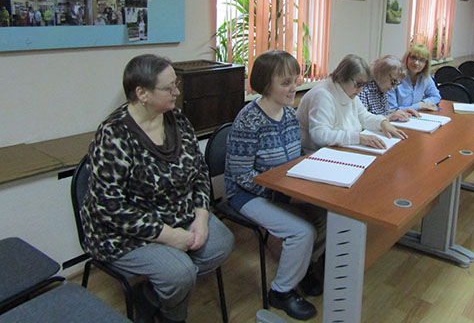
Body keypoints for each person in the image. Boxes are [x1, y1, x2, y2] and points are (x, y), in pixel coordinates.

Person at [80, 54, 234, 323]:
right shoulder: (114, 135)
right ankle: (172, 315)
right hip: (124, 232)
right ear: (142, 93)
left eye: (176, 85)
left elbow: (199, 170)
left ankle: (150, 295)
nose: (177, 92)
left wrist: (201, 216)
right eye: (169, 88)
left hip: (178, 213)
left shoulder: (177, 120)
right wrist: (168, 236)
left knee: (222, 244)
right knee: (180, 273)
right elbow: (110, 208)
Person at [225, 50, 325, 321]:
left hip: (283, 188)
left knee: (325, 213)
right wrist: (282, 196)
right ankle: (281, 291)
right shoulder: (249, 120)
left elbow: (296, 157)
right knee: (302, 231)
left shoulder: (289, 114)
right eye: (285, 83)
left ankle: (303, 269)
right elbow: (241, 176)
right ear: (266, 84)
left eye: (295, 81)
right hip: (247, 194)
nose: (294, 88)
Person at [297, 54, 407, 153]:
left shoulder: (348, 91)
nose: (361, 90)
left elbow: (364, 116)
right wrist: (358, 138)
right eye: (358, 84)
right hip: (317, 153)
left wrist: (382, 123)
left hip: (341, 149)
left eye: (364, 85)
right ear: (343, 77)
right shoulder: (322, 95)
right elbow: (320, 135)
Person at [358, 55, 420, 121]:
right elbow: (361, 121)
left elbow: (382, 113)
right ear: (381, 74)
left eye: (397, 83)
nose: (394, 87)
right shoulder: (362, 89)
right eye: (393, 81)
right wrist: (389, 117)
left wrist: (400, 111)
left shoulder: (381, 88)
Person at [387, 44, 442, 112]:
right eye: (413, 58)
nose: (416, 63)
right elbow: (392, 109)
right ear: (406, 58)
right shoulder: (394, 78)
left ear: (426, 64)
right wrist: (419, 106)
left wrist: (422, 103)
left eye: (422, 60)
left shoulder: (425, 78)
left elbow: (436, 97)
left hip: (416, 115)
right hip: (397, 117)